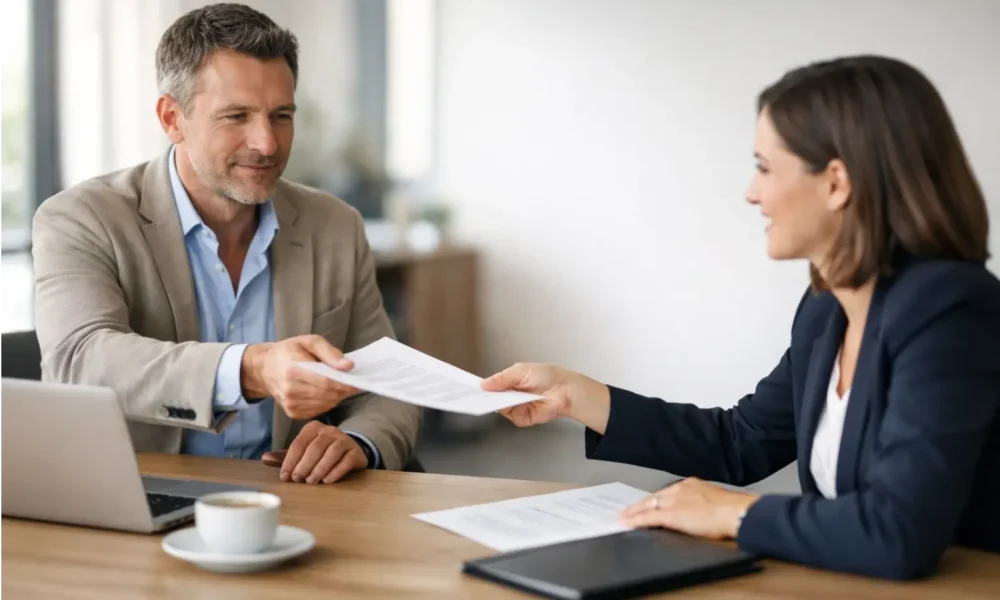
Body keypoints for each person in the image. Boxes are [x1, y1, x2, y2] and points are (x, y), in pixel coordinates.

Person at [481, 55, 1000, 579]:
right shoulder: (827, 309)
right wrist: (576, 394)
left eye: (765, 167)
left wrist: (731, 512)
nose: (752, 192)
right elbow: (742, 442)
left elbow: (898, 532)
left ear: (837, 183)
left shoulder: (952, 313)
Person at [32, 3, 421, 483]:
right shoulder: (82, 218)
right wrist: (250, 369)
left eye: (281, 115)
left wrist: (359, 440)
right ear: (172, 118)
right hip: (136, 498)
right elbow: (81, 361)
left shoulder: (335, 226)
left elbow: (388, 384)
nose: (267, 143)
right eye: (236, 116)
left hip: (297, 503)